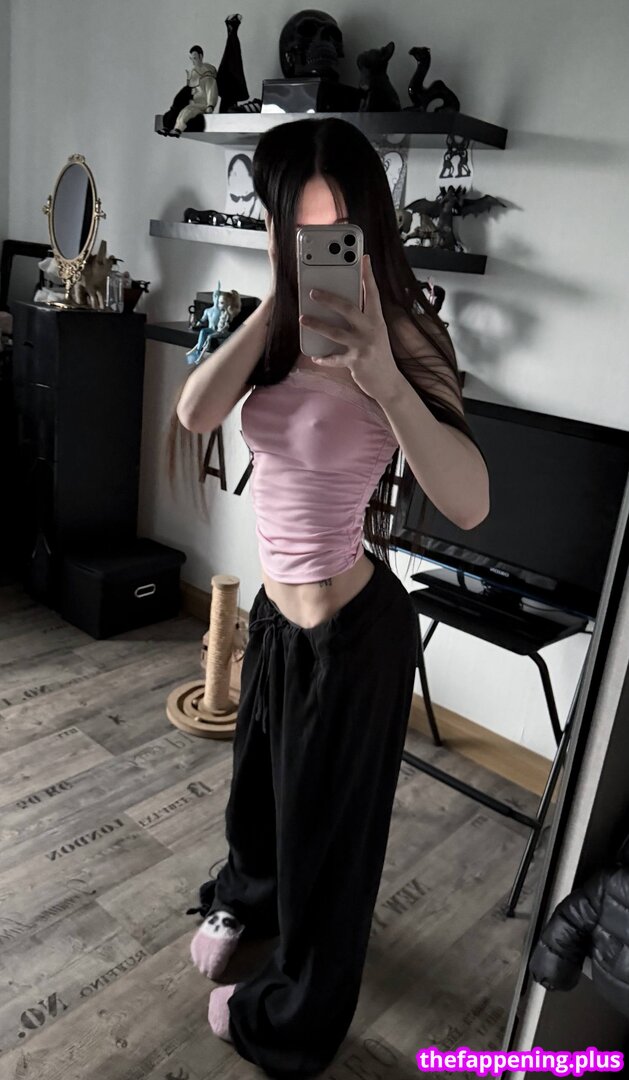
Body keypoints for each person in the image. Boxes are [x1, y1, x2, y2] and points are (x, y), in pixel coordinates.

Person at [172, 117, 490, 1079]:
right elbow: (194, 410)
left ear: (369, 226)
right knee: (259, 796)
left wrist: (385, 380)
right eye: (295, 227)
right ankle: (246, 899)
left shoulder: (408, 338)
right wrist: (278, 301)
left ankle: (293, 1019)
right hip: (277, 618)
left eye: (333, 228)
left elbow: (469, 502)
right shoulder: (270, 327)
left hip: (353, 635)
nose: (314, 245)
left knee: (330, 848)